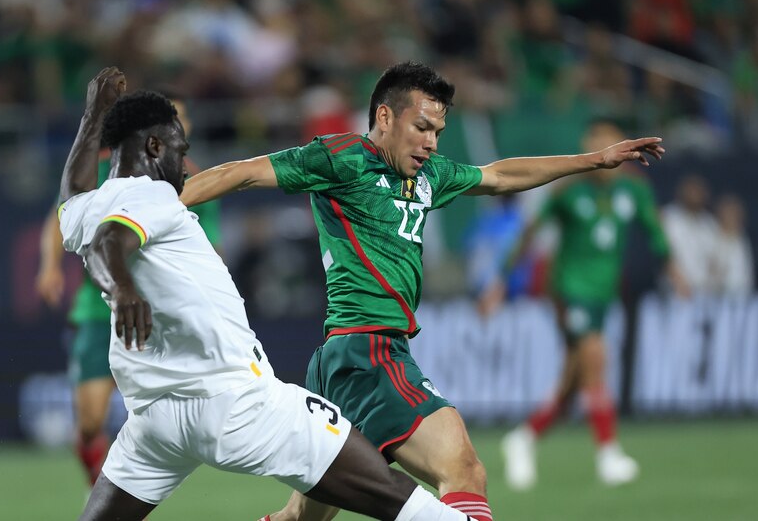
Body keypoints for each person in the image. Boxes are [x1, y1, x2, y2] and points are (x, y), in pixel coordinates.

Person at [181, 61, 667, 521]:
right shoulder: (341, 158)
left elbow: (499, 176)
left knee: (300, 516)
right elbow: (242, 171)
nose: (431, 143)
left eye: (438, 132)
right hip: (369, 353)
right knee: (464, 470)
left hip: (343, 359)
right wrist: (152, 203)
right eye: (422, 127)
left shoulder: (428, 176)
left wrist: (593, 160)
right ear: (385, 116)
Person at [59, 67, 474, 521]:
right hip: (236, 402)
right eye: (180, 149)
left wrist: (91, 116)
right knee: (392, 494)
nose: (183, 165)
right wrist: (122, 291)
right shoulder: (153, 196)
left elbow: (73, 193)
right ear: (154, 147)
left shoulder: (90, 207)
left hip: (155, 420)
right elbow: (108, 245)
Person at [483, 120, 689, 490]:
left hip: (602, 294)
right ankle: (608, 454)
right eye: (596, 143)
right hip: (568, 292)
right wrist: (500, 281)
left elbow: (655, 232)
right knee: (595, 360)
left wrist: (675, 271)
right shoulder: (569, 191)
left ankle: (524, 439)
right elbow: (531, 232)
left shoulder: (635, 191)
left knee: (575, 380)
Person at [35, 89, 221, 486]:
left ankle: (128, 488)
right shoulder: (108, 171)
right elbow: (63, 216)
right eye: (175, 118)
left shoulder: (195, 180)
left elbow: (211, 245)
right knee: (89, 421)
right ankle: (100, 483)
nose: (181, 126)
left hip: (165, 312)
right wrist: (49, 266)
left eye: (184, 119)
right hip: (99, 309)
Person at [662, 175, 719, 294]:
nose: (695, 195)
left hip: (704, 293)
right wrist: (678, 281)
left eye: (698, 191)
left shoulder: (709, 224)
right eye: (691, 191)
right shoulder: (668, 217)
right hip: (674, 292)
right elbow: (663, 255)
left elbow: (713, 261)